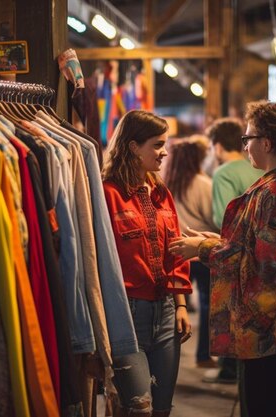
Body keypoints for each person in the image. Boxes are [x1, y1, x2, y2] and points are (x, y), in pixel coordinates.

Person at [169, 100, 276, 417]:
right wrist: (219, 241)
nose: (245, 146)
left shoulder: (274, 192)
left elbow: (270, 269)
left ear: (267, 142)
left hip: (270, 332)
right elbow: (267, 249)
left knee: (268, 406)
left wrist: (204, 249)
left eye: (248, 139)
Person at [101, 110, 192, 417]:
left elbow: (175, 251)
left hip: (166, 312)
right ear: (132, 147)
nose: (164, 151)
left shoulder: (162, 193)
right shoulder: (107, 193)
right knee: (138, 408)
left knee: (162, 409)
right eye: (157, 144)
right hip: (127, 314)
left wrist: (180, 305)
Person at [204, 117, 264, 383]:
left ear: (217, 146)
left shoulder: (224, 173)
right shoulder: (261, 168)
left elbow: (222, 218)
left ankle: (230, 370)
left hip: (234, 254)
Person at [162, 135, 219, 369]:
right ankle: (203, 355)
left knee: (176, 305)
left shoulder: (165, 183)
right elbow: (213, 217)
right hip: (200, 249)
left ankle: (168, 355)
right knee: (206, 304)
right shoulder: (204, 184)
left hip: (175, 251)